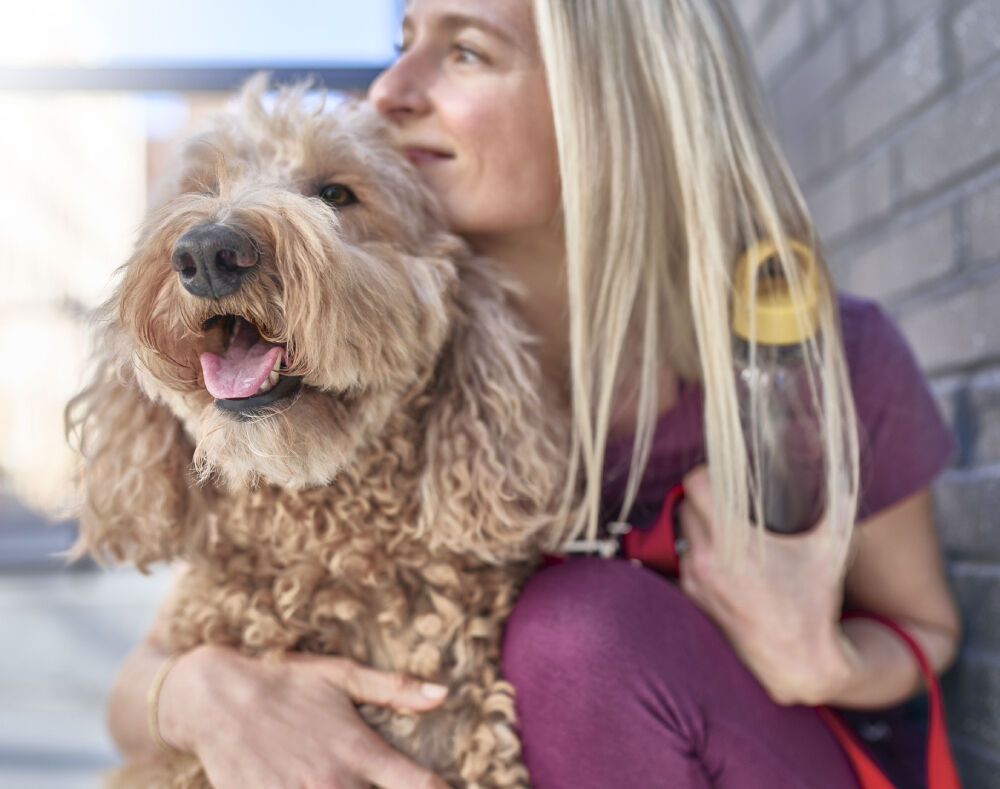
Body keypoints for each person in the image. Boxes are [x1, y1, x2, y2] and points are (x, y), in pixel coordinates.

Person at [105, 1, 962, 787]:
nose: (389, 91)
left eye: (466, 53)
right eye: (404, 43)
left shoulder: (811, 360)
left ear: (617, 103)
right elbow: (146, 678)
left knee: (578, 635)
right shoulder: (360, 365)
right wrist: (199, 694)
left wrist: (827, 659)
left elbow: (928, 629)